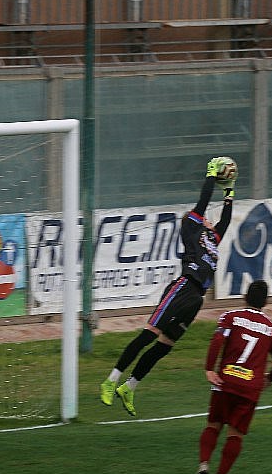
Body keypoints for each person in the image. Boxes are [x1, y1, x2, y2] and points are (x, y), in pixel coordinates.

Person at [100, 156, 237, 416]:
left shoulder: (211, 240)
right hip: (183, 286)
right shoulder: (191, 228)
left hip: (197, 297)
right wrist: (211, 176)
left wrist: (230, 192)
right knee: (149, 335)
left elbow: (226, 221)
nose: (208, 220)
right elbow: (203, 201)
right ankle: (111, 380)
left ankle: (130, 387)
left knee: (165, 345)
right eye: (204, 218)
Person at [190, 279, 272, 474]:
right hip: (249, 389)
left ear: (245, 297)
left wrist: (209, 369)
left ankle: (204, 466)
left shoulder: (230, 317)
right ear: (266, 302)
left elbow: (216, 341)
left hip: (224, 382)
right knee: (235, 434)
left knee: (213, 425)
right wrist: (269, 379)